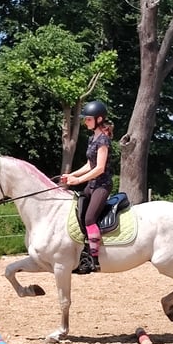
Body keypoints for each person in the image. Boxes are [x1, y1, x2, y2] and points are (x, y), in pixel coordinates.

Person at [61, 100, 114, 274]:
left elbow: (99, 168)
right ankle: (81, 251)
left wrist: (79, 180)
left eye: (88, 119)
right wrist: (73, 175)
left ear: (99, 119)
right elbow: (89, 164)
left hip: (102, 185)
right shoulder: (93, 138)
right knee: (79, 213)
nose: (86, 122)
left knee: (90, 218)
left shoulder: (104, 140)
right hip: (91, 184)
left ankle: (94, 259)